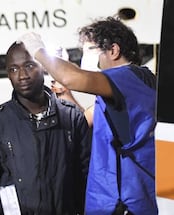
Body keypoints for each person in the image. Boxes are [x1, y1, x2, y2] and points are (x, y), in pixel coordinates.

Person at [17, 16, 158, 214]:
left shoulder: (126, 77)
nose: (85, 57)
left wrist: (37, 49)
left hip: (121, 201)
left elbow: (72, 77)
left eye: (90, 50)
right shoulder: (138, 83)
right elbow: (85, 120)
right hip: (132, 198)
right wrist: (66, 93)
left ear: (113, 51)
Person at [0, 41, 91, 215]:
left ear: (44, 67)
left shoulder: (71, 117)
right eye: (14, 69)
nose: (22, 75)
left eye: (29, 66)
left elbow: (87, 175)